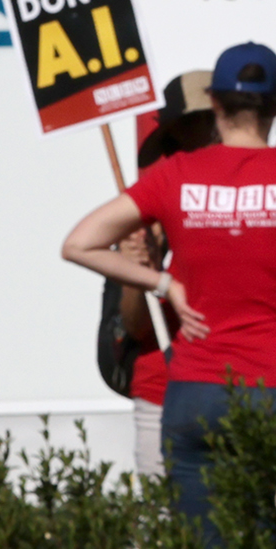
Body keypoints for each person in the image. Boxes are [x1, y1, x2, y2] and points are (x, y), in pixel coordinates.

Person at [73, 43, 276, 529]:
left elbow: (79, 243)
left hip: (198, 389)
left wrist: (163, 282)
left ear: (216, 105)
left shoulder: (174, 175)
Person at [89, 73, 216, 491]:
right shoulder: (150, 214)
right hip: (165, 394)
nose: (194, 148)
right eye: (176, 143)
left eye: (208, 125)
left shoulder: (259, 195)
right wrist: (140, 271)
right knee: (170, 540)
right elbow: (137, 326)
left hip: (248, 389)